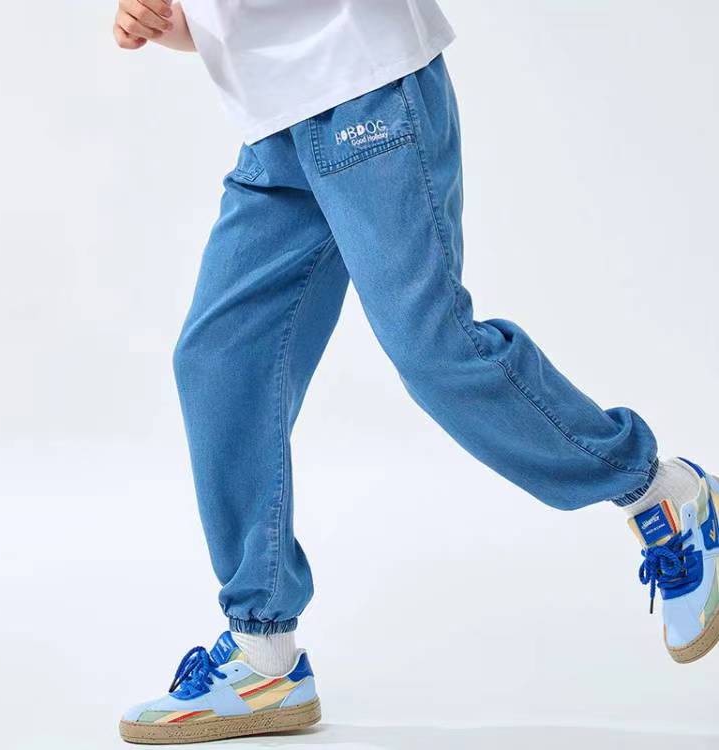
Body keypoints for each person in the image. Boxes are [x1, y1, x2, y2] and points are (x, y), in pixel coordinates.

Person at [113, 1, 718, 744]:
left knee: (435, 350)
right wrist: (169, 21)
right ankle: (262, 656)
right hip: (273, 128)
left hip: (366, 93)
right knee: (219, 361)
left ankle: (665, 494)